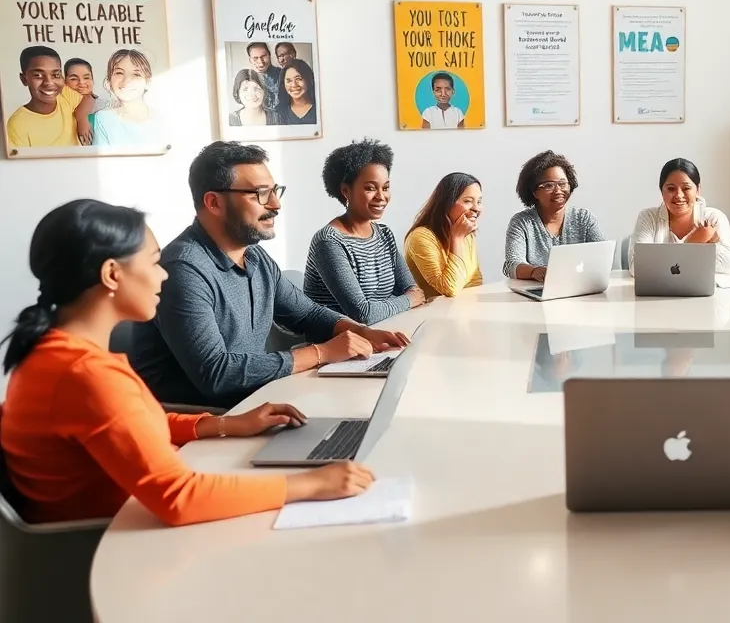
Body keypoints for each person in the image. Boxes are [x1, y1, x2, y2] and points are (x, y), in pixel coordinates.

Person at [0, 200, 375, 526]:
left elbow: (132, 424)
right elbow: (179, 499)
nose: (164, 274)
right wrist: (312, 483)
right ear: (112, 274)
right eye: (153, 262)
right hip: (110, 547)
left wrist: (224, 424)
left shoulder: (54, 353)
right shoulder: (85, 374)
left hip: (124, 523)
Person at [128, 142, 409, 409]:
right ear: (214, 202)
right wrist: (322, 353)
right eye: (261, 194)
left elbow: (306, 314)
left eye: (276, 191)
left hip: (254, 402)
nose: (275, 204)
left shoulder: (255, 256)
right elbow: (216, 374)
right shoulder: (182, 269)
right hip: (204, 421)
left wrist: (362, 331)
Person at [304, 139, 425, 323]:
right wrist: (408, 300)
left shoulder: (384, 235)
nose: (381, 196)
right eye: (370, 188)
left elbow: (412, 290)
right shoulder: (328, 242)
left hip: (384, 332)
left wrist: (406, 299)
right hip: (338, 344)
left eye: (385, 187)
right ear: (346, 191)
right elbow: (362, 314)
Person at [504, 151, 604, 281]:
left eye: (562, 184)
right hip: (536, 293)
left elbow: (602, 257)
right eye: (548, 186)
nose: (558, 191)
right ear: (534, 192)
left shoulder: (584, 219)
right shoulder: (522, 223)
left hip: (581, 290)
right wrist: (534, 271)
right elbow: (512, 265)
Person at [629, 158, 730, 275]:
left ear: (698, 190)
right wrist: (694, 243)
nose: (679, 195)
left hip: (700, 290)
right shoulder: (648, 217)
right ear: (662, 191)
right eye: (671, 189)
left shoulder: (713, 218)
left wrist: (713, 246)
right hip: (659, 291)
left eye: (686, 188)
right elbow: (636, 267)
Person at [404, 173, 484, 299]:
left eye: (479, 201)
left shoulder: (467, 235)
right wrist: (456, 239)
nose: (476, 208)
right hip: (426, 315)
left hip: (457, 310)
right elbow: (449, 289)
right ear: (447, 203)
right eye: (468, 201)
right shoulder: (420, 237)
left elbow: (475, 282)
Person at [6, 45, 94, 148]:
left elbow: (87, 99)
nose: (49, 83)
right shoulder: (17, 124)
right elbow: (22, 163)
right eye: (38, 75)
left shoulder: (64, 94)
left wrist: (81, 118)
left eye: (55, 75)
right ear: (24, 79)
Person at [92, 49, 164, 146]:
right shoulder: (103, 118)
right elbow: (102, 159)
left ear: (148, 82)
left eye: (136, 74)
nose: (127, 81)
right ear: (109, 82)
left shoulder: (163, 119)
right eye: (119, 73)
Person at [274, 58, 318, 126]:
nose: (294, 85)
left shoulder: (320, 108)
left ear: (308, 79)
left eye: (298, 79)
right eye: (289, 81)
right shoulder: (279, 112)